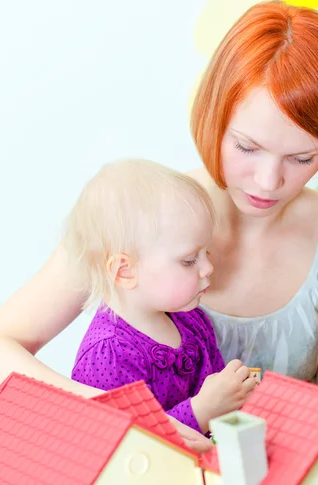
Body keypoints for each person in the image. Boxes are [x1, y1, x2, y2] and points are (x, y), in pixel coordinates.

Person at [0, 0, 318, 442]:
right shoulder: (138, 217)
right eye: (247, 147)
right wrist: (136, 423)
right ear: (215, 114)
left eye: (302, 158)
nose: (268, 181)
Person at [65, 159, 256, 435]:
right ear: (125, 271)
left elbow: (219, 394)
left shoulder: (190, 318)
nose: (208, 268)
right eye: (189, 260)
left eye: (207, 252)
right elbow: (128, 447)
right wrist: (201, 411)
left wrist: (234, 391)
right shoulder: (108, 356)